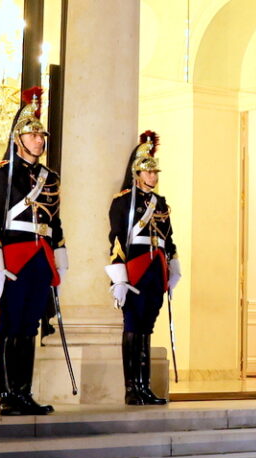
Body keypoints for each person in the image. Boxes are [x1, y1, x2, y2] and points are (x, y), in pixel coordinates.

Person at [0, 86, 67, 416]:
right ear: (18, 140)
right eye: (32, 136)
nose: (39, 141)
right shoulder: (1, 173)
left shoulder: (50, 178)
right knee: (10, 324)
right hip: (13, 257)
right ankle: (7, 395)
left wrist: (60, 254)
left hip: (40, 258)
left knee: (30, 326)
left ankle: (24, 392)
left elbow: (54, 221)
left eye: (41, 136)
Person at [104, 131, 181, 405]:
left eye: (155, 173)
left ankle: (145, 386)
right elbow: (116, 239)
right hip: (135, 269)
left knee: (147, 327)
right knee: (133, 326)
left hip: (155, 271)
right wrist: (119, 278)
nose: (153, 177)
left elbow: (167, 239)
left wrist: (174, 268)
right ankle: (132, 388)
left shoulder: (161, 203)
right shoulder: (124, 201)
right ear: (137, 174)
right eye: (148, 173)